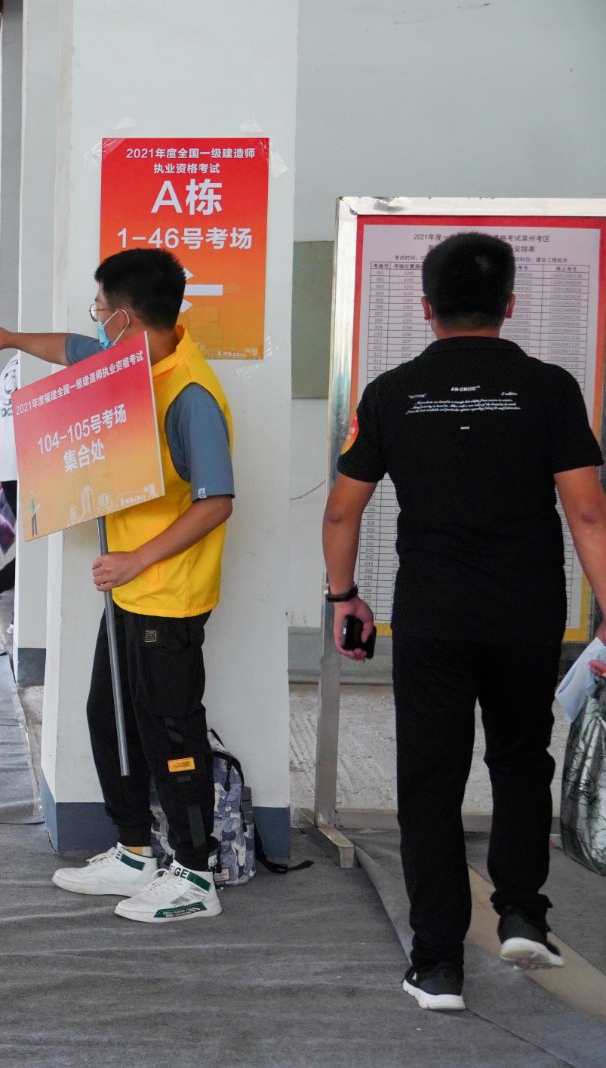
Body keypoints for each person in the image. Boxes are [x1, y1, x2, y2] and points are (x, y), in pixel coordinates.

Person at [321, 232, 606, 1012]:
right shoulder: (549, 388)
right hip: (526, 614)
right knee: (521, 760)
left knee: (430, 779)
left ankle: (438, 963)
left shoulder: (391, 392)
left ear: (426, 307)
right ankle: (522, 915)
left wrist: (344, 596)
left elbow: (342, 510)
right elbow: (587, 511)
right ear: (509, 304)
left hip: (433, 616)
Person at [0, 247, 235, 924]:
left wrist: (135, 559)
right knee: (110, 718)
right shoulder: (130, 365)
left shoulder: (190, 394)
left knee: (170, 734)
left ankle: (195, 875)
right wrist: (8, 339)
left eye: (99, 307)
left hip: (166, 594)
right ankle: (135, 850)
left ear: (125, 315)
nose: (94, 317)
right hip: (128, 592)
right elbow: (71, 349)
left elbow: (216, 502)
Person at [0, 333, 104, 626]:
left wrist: (1, 473)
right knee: (43, 548)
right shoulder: (40, 365)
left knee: (36, 546)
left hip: (11, 468)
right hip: (34, 469)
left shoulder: (8, 369)